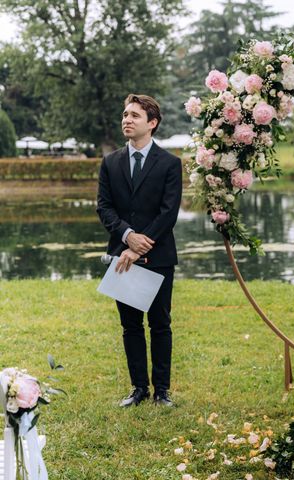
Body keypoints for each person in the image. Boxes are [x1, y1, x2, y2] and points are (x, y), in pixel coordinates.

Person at [97, 94, 182, 408]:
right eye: (125, 114)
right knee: (130, 326)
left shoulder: (171, 164)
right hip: (122, 255)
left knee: (160, 324)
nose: (127, 120)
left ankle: (162, 391)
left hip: (159, 256)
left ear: (152, 123)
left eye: (134, 115)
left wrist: (142, 244)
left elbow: (168, 212)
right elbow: (104, 208)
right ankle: (138, 389)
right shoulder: (110, 162)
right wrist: (128, 237)